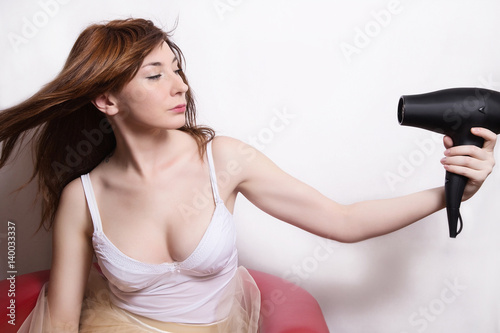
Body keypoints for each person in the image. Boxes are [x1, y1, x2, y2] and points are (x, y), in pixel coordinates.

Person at [0, 18, 496, 333]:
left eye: (177, 68)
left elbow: (343, 221)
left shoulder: (225, 161)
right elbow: (63, 320)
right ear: (107, 101)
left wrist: (449, 195)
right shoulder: (82, 197)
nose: (181, 85)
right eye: (155, 75)